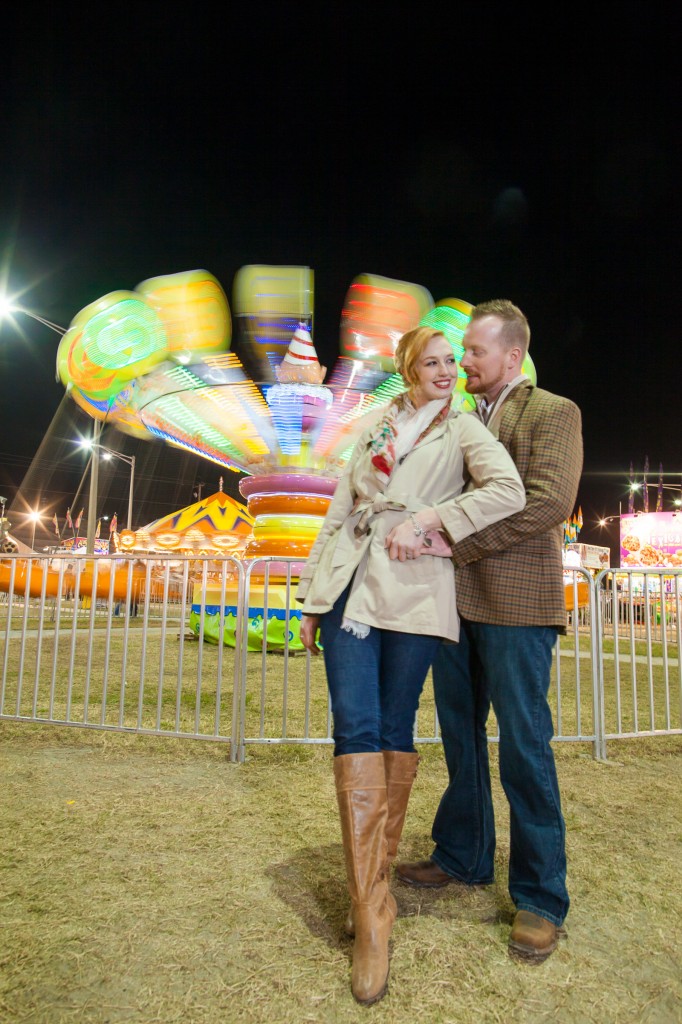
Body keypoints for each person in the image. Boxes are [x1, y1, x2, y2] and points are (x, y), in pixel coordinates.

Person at [296, 326, 526, 1005]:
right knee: (354, 729)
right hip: (347, 589)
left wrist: (431, 520)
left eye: (452, 361)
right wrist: (312, 597)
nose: (447, 371)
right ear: (406, 368)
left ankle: (372, 900)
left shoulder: (462, 430)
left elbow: (507, 490)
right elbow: (340, 510)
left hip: (415, 593)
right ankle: (372, 912)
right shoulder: (374, 426)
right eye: (432, 362)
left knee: (393, 728)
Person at [395, 300, 583, 965]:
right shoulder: (461, 420)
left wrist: (457, 545)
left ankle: (539, 897)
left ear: (511, 355)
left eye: (473, 351)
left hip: (519, 607)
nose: (461, 361)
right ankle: (463, 856)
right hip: (457, 608)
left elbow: (549, 501)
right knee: (459, 740)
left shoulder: (554, 412)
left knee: (525, 747)